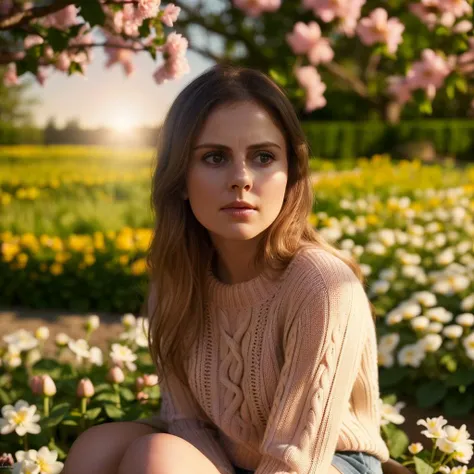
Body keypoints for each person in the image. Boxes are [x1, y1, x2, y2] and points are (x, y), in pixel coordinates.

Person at [63, 64, 410, 474]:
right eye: (214, 157)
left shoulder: (323, 285)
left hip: (324, 461)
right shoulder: (177, 277)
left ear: (291, 172)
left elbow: (295, 462)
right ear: (179, 178)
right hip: (234, 455)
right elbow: (186, 421)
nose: (241, 179)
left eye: (263, 157)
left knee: (155, 457)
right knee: (97, 446)